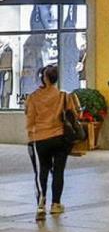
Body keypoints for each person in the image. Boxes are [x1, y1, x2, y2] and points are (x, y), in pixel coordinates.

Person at [25, 64, 80, 221]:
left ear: (44, 78)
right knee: (58, 171)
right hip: (59, 138)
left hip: (41, 139)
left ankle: (41, 202)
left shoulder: (33, 97)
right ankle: (56, 204)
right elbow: (73, 115)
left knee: (43, 169)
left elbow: (30, 119)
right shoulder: (63, 96)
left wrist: (30, 136)